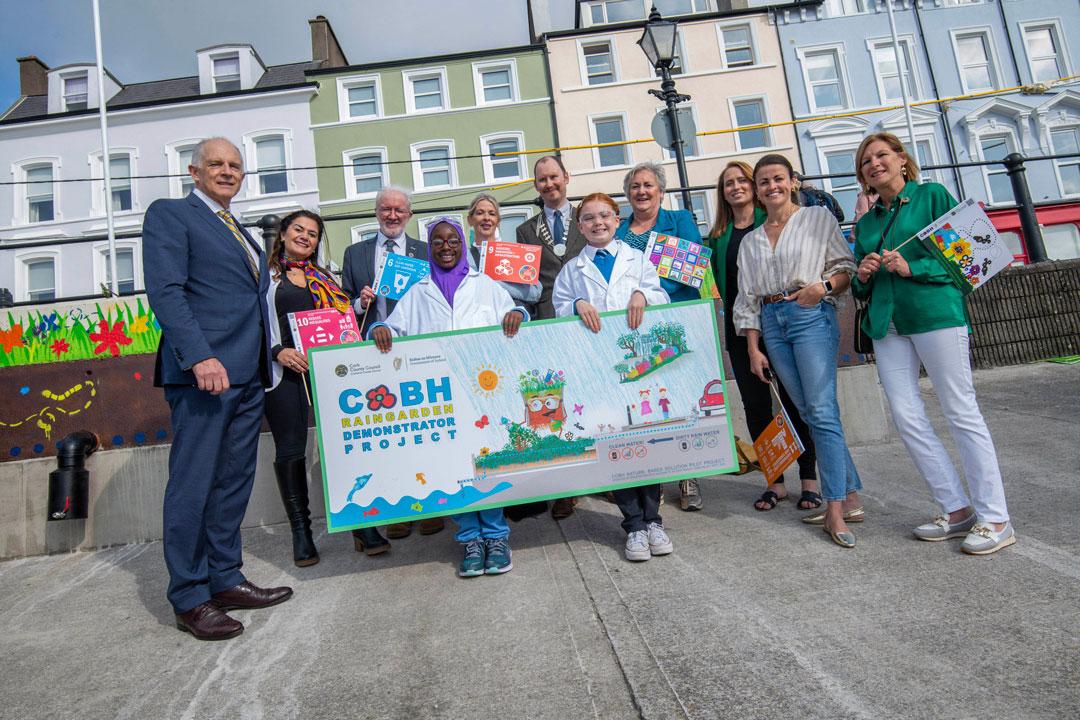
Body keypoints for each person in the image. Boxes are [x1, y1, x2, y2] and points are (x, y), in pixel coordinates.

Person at [143, 137, 292, 641]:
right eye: (216, 164)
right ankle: (189, 596)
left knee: (232, 481)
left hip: (248, 374)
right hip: (205, 374)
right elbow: (166, 291)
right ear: (194, 171)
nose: (227, 172)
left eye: (235, 166)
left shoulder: (243, 232)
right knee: (194, 485)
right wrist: (200, 355)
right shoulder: (171, 214)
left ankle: (224, 578)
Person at [852, 132, 1014, 555]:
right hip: (887, 324)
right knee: (907, 418)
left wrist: (913, 266)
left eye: (881, 155)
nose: (874, 164)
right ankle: (956, 509)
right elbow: (856, 284)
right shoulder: (867, 223)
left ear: (902, 159)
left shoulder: (933, 196)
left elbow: (970, 256)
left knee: (960, 410)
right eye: (866, 161)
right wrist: (863, 274)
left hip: (935, 314)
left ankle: (996, 517)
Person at [369, 217, 528, 577]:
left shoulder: (485, 285)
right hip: (440, 396)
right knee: (453, 467)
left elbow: (515, 313)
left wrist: (518, 313)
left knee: (487, 463)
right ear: (430, 247)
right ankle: (470, 538)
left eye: (452, 240)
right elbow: (392, 327)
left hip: (483, 391)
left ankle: (497, 536)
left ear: (462, 244)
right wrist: (379, 327)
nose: (445, 247)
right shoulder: (416, 290)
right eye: (438, 241)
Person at [733, 154, 862, 549]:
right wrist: (754, 348)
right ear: (756, 190)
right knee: (806, 411)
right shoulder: (752, 240)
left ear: (792, 182)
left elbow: (845, 266)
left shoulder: (816, 219)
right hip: (771, 321)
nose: (771, 187)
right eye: (763, 182)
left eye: (778, 179)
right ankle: (852, 493)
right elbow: (747, 299)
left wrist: (820, 289)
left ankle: (836, 507)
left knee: (822, 410)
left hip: (808, 313)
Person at [264, 210, 390, 566]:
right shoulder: (267, 277)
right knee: (290, 449)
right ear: (284, 234)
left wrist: (360, 304)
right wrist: (278, 351)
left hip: (329, 371)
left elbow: (338, 318)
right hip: (286, 371)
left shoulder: (325, 277)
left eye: (313, 233)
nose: (306, 237)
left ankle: (360, 524)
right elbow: (254, 323)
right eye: (299, 230)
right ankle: (301, 532)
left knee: (345, 445)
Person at [552, 193, 671, 562]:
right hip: (598, 368)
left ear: (617, 219)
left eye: (604, 215)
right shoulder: (572, 269)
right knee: (614, 443)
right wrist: (575, 305)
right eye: (588, 218)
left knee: (645, 439)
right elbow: (558, 310)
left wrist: (642, 294)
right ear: (580, 226)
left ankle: (654, 520)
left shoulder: (638, 261)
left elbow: (661, 296)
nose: (597, 222)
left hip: (640, 364)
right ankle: (633, 524)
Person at [707, 161, 820, 512]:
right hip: (739, 328)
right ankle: (774, 482)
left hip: (778, 320)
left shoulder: (769, 222)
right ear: (722, 193)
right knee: (756, 407)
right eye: (729, 183)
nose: (736, 187)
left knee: (793, 401)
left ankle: (809, 479)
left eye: (742, 180)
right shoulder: (717, 236)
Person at [340, 186, 443, 540]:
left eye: (399, 209)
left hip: (418, 352)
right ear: (376, 212)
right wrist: (358, 302)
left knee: (425, 432)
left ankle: (431, 507)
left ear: (410, 215)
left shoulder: (426, 252)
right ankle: (398, 509)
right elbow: (343, 306)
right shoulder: (355, 253)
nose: (392, 215)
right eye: (386, 209)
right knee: (391, 434)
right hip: (374, 353)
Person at [614, 161, 705, 511]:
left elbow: (692, 266)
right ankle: (654, 478)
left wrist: (648, 293)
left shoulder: (680, 220)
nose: (641, 191)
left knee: (682, 398)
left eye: (648, 185)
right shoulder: (620, 230)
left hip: (675, 318)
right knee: (646, 401)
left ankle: (688, 475)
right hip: (636, 327)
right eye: (635, 186)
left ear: (661, 191)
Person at [516, 155, 587, 519]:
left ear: (566, 178)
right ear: (536, 185)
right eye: (541, 179)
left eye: (554, 177)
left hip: (586, 320)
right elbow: (526, 287)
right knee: (554, 404)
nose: (549, 184)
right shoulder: (525, 231)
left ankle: (599, 476)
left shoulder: (588, 218)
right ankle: (563, 488)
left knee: (590, 395)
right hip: (545, 321)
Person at [465, 193, 542, 308]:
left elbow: (535, 292)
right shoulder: (464, 257)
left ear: (498, 221)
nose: (486, 218)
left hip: (509, 319)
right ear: (470, 220)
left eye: (492, 214)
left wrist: (487, 282)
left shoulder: (514, 254)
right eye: (480, 213)